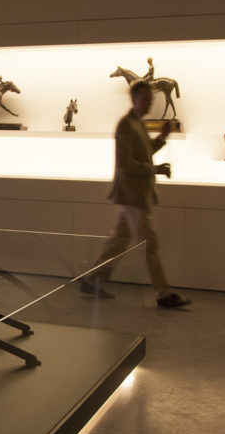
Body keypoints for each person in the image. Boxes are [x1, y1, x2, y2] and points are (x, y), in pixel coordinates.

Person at [82, 81, 191, 308]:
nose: (150, 102)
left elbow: (145, 152)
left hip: (133, 194)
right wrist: (156, 169)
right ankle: (163, 293)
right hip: (132, 195)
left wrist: (161, 138)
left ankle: (91, 279)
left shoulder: (137, 124)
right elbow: (126, 165)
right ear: (134, 99)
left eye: (151, 99)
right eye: (146, 98)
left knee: (118, 241)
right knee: (148, 244)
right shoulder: (125, 125)